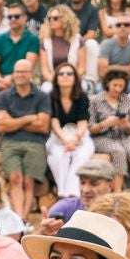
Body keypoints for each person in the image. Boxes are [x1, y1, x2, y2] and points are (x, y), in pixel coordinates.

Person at [0, 59, 51, 218]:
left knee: (28, 181)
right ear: (13, 74)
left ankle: (23, 219)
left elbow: (42, 126)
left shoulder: (41, 96)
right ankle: (19, 218)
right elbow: (2, 127)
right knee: (15, 178)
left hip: (35, 142)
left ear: (31, 74)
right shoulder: (4, 96)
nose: (20, 74)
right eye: (17, 71)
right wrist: (29, 119)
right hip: (11, 142)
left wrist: (12, 120)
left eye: (24, 71)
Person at [90, 68, 130, 198]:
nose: (118, 89)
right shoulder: (96, 100)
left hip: (123, 136)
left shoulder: (127, 100)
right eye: (115, 85)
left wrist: (127, 125)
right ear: (108, 83)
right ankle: (117, 192)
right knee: (118, 151)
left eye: (121, 86)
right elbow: (90, 128)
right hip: (101, 138)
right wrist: (106, 123)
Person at [45, 61, 94, 199]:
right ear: (56, 78)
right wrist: (66, 141)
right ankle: (62, 192)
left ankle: (73, 193)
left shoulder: (82, 96)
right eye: (61, 73)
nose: (65, 76)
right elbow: (54, 123)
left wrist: (75, 139)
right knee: (58, 156)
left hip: (79, 135)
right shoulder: (51, 97)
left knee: (81, 156)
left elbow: (82, 122)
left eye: (69, 73)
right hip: (58, 136)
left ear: (75, 77)